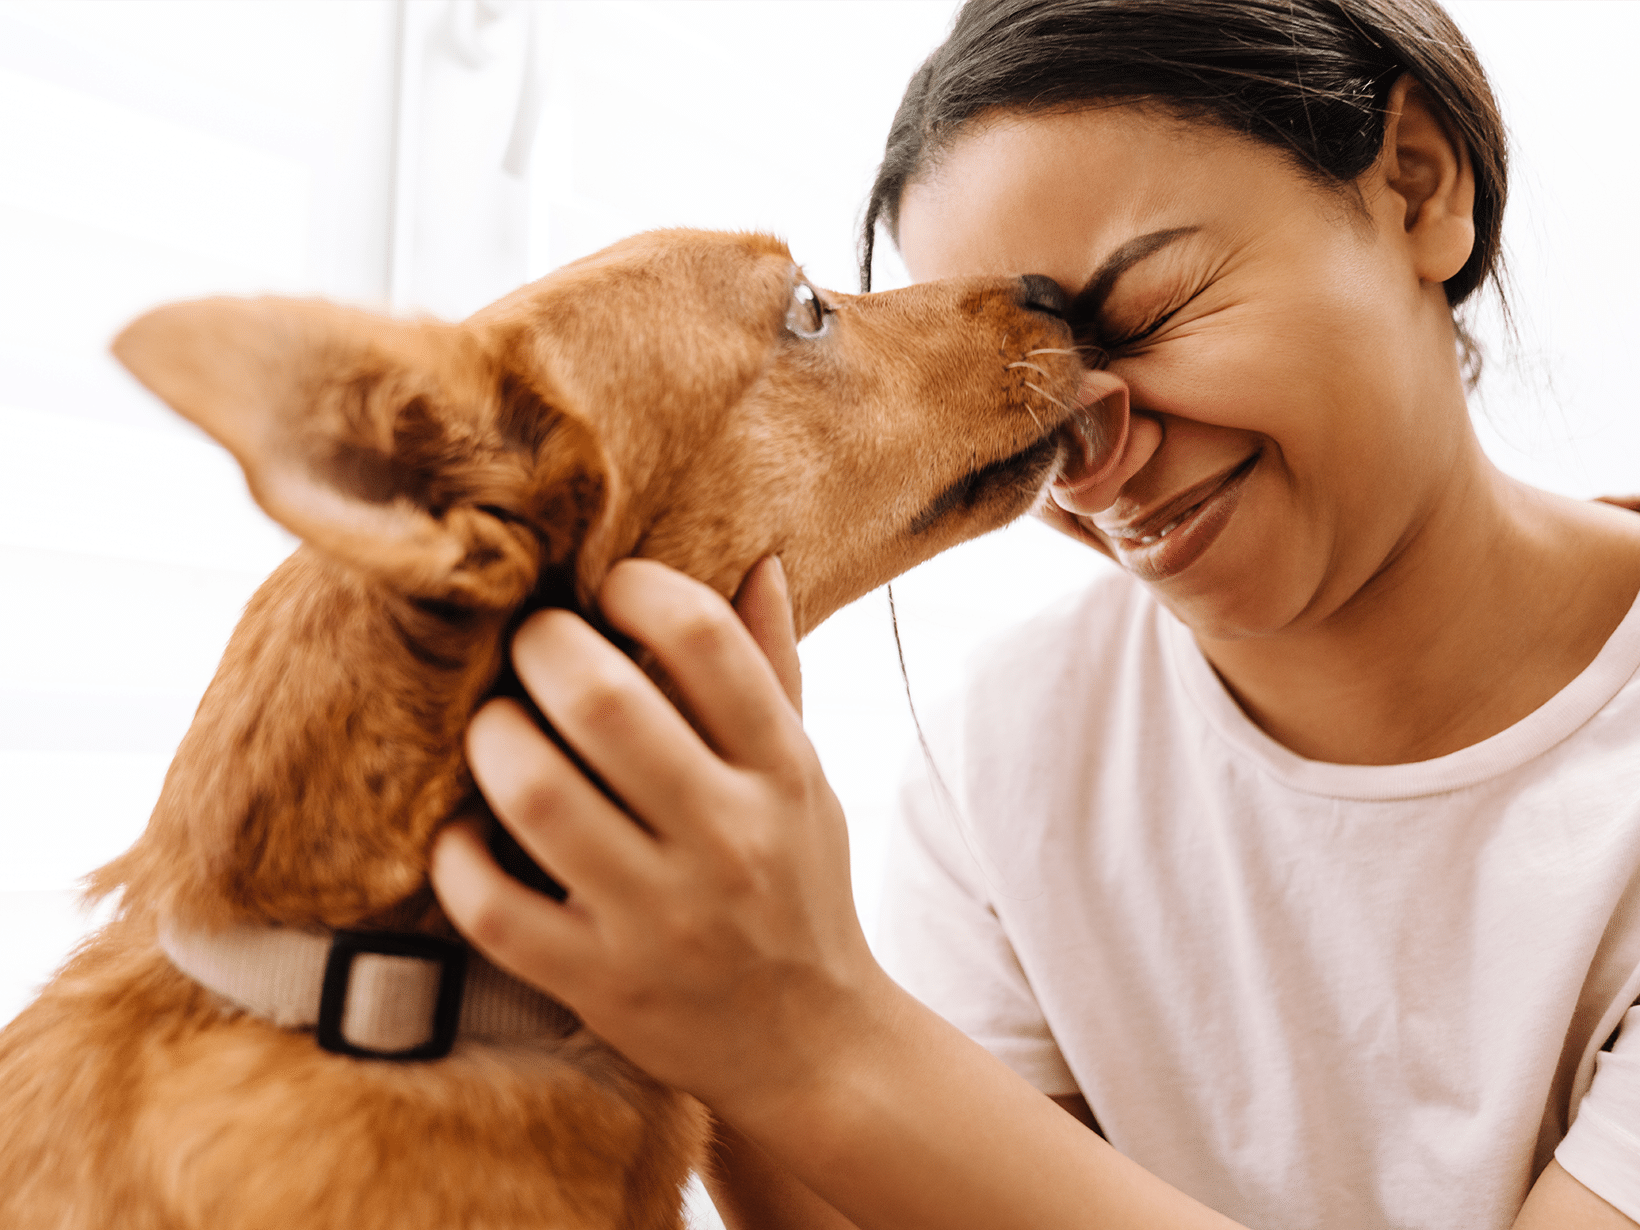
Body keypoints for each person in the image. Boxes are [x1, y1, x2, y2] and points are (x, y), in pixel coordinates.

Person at [429, 1, 1640, 1226]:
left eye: (1152, 309)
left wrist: (806, 1022)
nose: (1092, 467)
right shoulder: (1005, 758)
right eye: (1031, 406)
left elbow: (842, 1067)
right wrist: (691, 970)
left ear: (1417, 186)